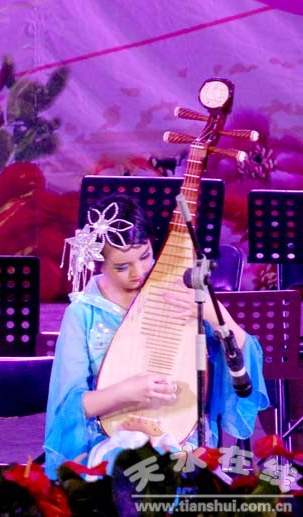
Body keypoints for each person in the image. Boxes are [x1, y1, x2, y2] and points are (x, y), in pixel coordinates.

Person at [44, 195, 269, 479]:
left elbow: (244, 358)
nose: (138, 272)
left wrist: (217, 315)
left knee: (177, 468)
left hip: (181, 436)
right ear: (97, 262)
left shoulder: (177, 295)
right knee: (134, 470)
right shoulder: (83, 313)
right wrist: (126, 392)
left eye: (145, 256)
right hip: (107, 441)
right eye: (122, 267)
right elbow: (68, 409)